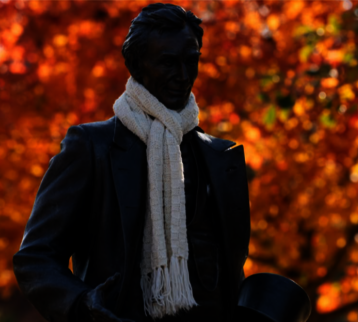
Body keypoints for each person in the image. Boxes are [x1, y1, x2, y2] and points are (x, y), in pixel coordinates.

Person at [12, 3, 250, 322]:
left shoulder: (220, 157)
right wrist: (82, 304)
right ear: (137, 65)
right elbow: (35, 257)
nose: (182, 76)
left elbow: (227, 267)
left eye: (190, 62)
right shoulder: (91, 148)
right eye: (167, 62)